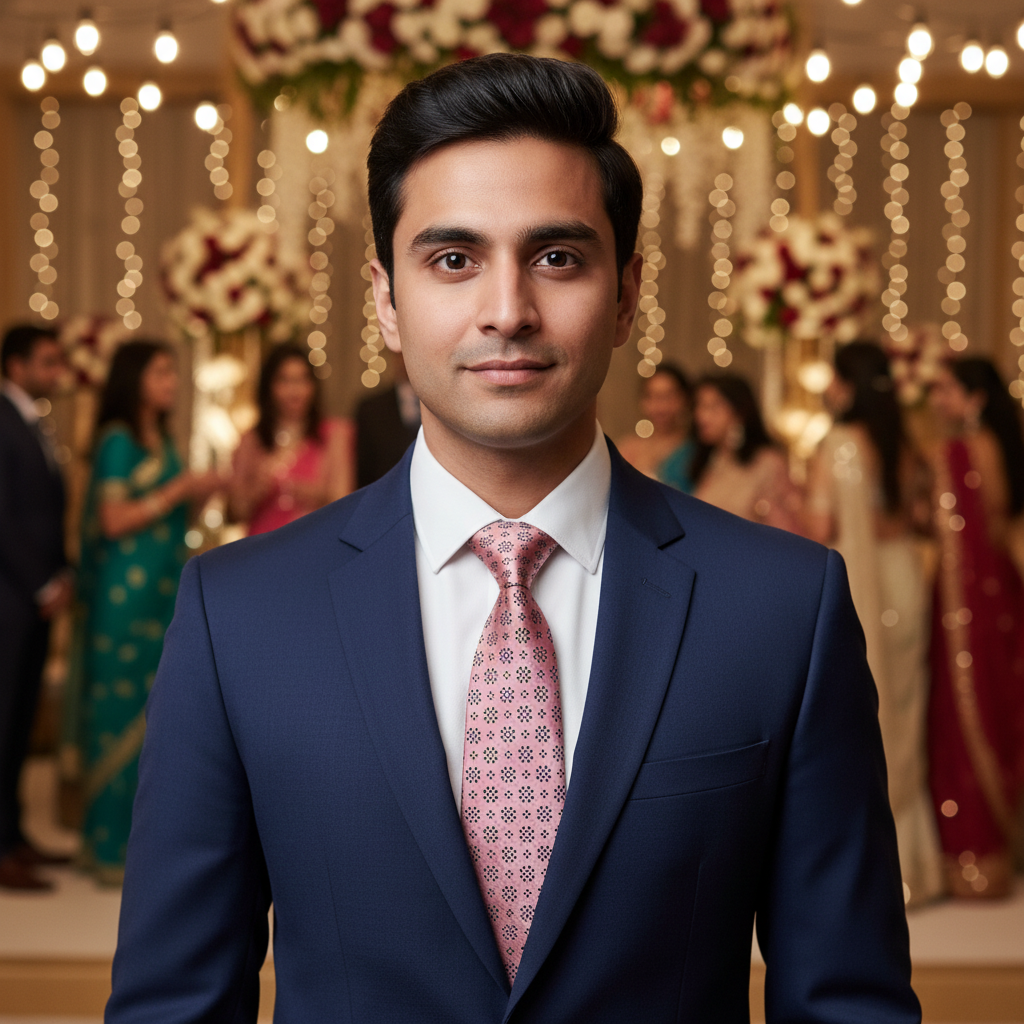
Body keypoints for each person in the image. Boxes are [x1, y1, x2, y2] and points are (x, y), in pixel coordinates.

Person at [107, 55, 917, 1022]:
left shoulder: (783, 607)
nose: (507, 312)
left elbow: (848, 1003)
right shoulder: (238, 614)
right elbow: (173, 1005)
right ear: (385, 299)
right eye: (454, 260)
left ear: (627, 294)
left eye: (557, 258)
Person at [71, 340, 218, 883]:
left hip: (162, 589)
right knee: (118, 711)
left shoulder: (164, 441)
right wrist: (180, 487)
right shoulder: (117, 440)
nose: (171, 382)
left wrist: (201, 493)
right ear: (133, 378)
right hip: (122, 598)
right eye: (160, 372)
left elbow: (170, 516)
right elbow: (113, 520)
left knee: (159, 717)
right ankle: (106, 847)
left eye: (172, 373)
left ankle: (140, 848)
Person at [805, 341, 944, 908]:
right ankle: (917, 866)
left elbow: (820, 528)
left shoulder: (838, 444)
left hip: (861, 587)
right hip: (905, 581)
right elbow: (920, 517)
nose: (828, 390)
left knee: (861, 719)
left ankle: (874, 874)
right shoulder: (905, 442)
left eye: (834, 379)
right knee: (904, 716)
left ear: (849, 385)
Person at [926, 357, 1024, 899]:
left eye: (946, 390)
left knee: (966, 711)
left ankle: (972, 853)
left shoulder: (957, 451)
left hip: (963, 605)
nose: (937, 400)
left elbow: (955, 536)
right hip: (998, 595)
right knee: (998, 704)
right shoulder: (1000, 446)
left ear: (975, 398)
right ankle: (999, 851)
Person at [0, 325, 73, 891]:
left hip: (32, 597)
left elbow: (45, 509)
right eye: (46, 361)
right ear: (17, 365)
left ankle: (13, 833)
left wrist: (62, 571)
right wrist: (41, 583)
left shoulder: (32, 420)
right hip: (10, 596)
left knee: (22, 719)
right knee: (2, 721)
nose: (56, 372)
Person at [229, 343, 353, 534]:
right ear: (269, 386)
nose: (294, 390)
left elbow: (345, 505)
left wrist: (313, 493)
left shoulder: (334, 434)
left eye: (302, 380)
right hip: (263, 543)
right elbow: (234, 513)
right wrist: (256, 491)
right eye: (284, 380)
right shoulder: (252, 440)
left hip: (313, 542)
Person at [691, 373, 803, 533]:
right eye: (699, 406)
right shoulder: (712, 460)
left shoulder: (767, 462)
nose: (701, 416)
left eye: (713, 407)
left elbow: (786, 530)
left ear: (739, 412)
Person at [616, 362, 695, 491]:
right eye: (651, 397)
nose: (660, 406)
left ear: (684, 398)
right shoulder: (629, 448)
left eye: (667, 397)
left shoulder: (695, 451)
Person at [355, 349, 421, 487]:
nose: (406, 360)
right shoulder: (372, 408)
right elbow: (364, 469)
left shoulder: (443, 403)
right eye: (401, 354)